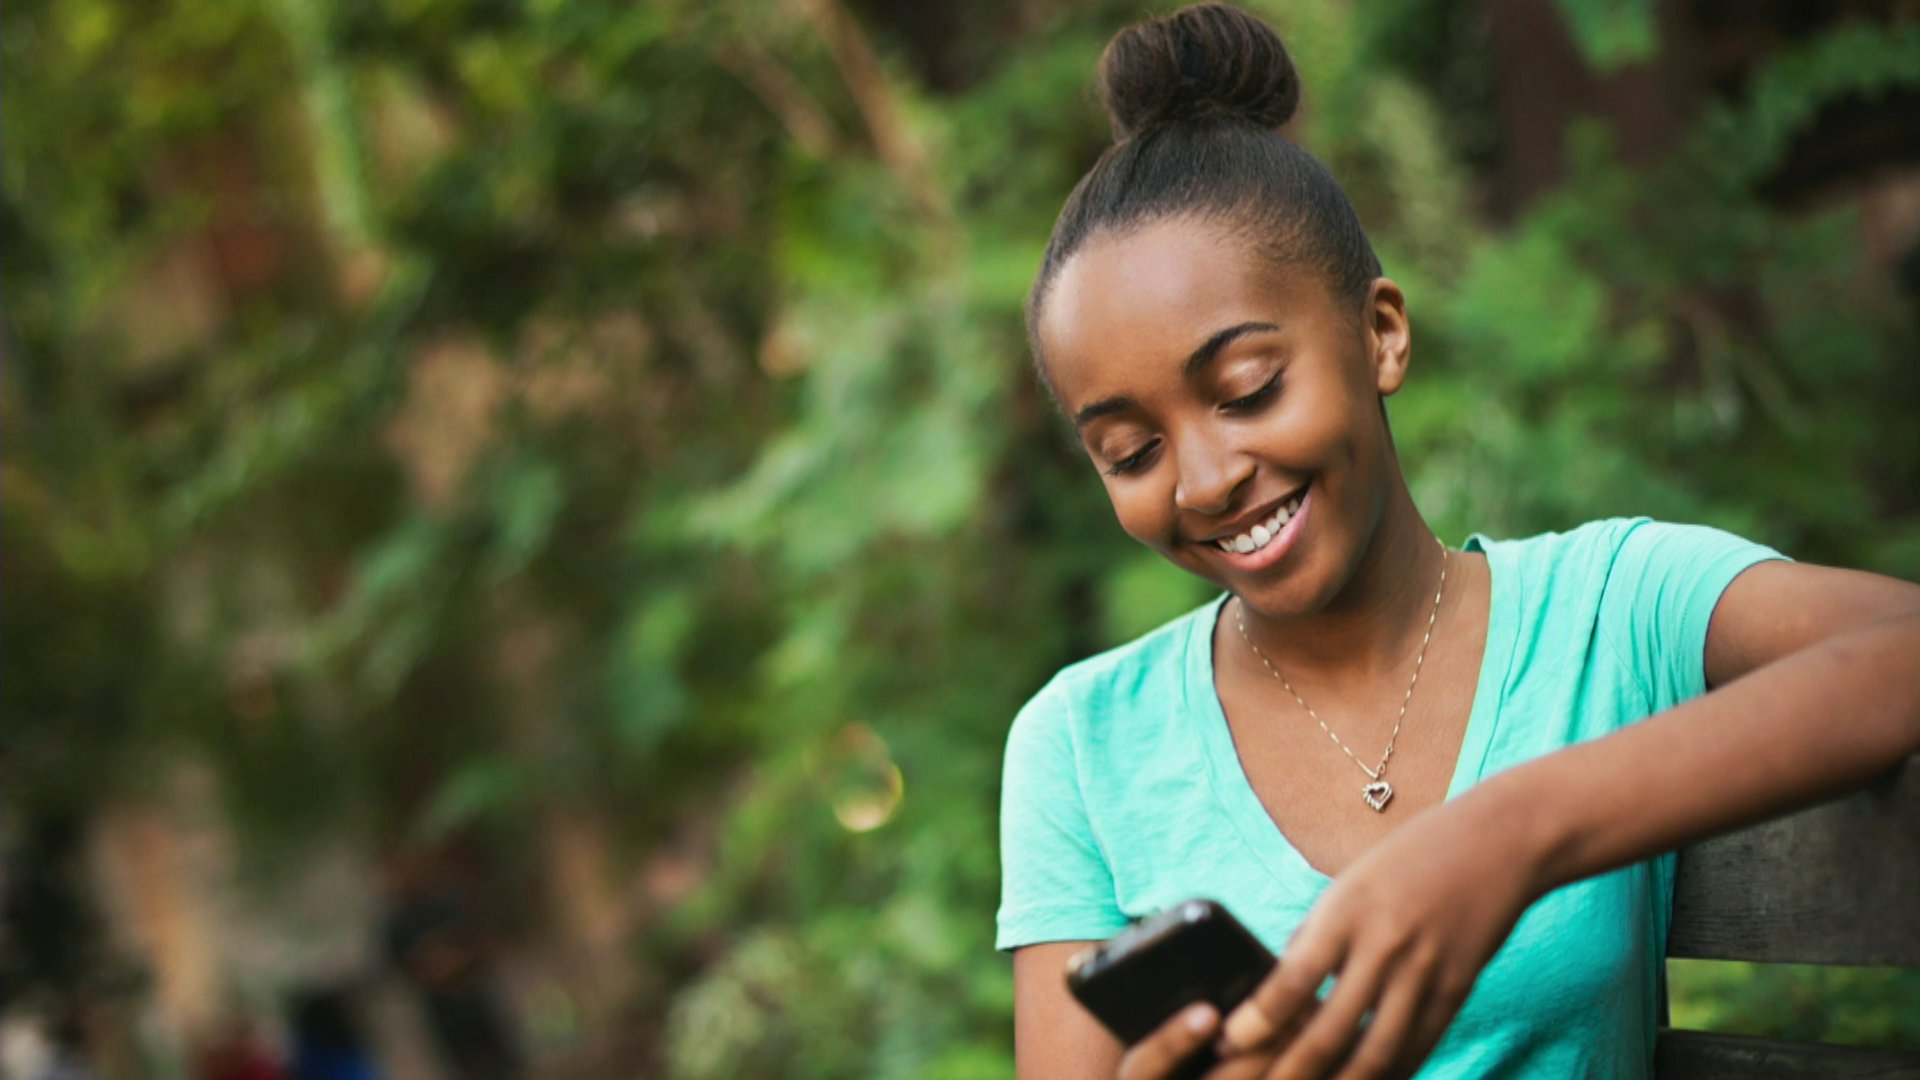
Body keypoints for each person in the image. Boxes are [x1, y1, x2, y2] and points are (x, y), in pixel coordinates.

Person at [993, 5, 1920, 1079]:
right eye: (1130, 450)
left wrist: (1512, 832)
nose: (1205, 480)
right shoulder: (1080, 743)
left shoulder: (1609, 608)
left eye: (1248, 389)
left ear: (1380, 332)